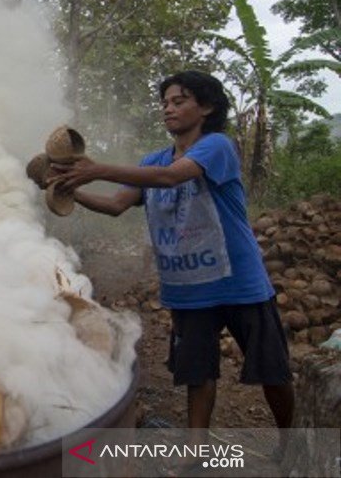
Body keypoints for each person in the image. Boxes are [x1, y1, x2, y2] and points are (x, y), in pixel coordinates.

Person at [49, 70, 294, 455]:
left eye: (179, 101)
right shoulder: (154, 159)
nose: (168, 109)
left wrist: (96, 169)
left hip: (239, 281)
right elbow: (116, 205)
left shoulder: (217, 147)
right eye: (165, 103)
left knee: (271, 370)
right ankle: (196, 456)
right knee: (199, 374)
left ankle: (290, 441)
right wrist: (68, 190)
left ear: (207, 107)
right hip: (188, 289)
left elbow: (169, 178)